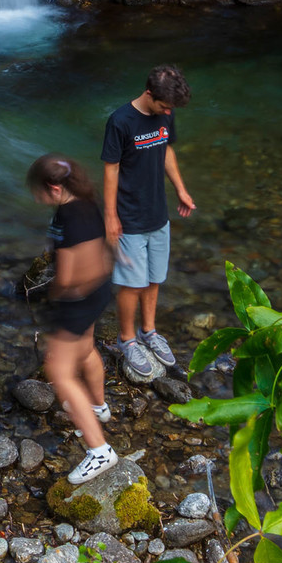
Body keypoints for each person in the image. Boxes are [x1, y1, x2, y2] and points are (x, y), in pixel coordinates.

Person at [26, 153, 118, 487]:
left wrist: (53, 298)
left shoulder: (65, 217)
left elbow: (65, 274)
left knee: (60, 373)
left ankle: (99, 451)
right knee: (85, 349)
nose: (36, 197)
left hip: (77, 298)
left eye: (37, 191)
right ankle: (98, 406)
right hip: (100, 290)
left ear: (53, 188)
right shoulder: (88, 203)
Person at [102, 64, 196, 385]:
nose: (168, 112)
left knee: (155, 277)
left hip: (158, 212)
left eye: (171, 108)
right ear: (149, 94)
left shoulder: (166, 113)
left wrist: (181, 189)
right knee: (132, 283)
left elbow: (167, 150)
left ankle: (148, 332)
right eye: (164, 106)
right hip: (129, 216)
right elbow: (111, 170)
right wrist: (111, 216)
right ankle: (127, 340)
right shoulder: (120, 121)